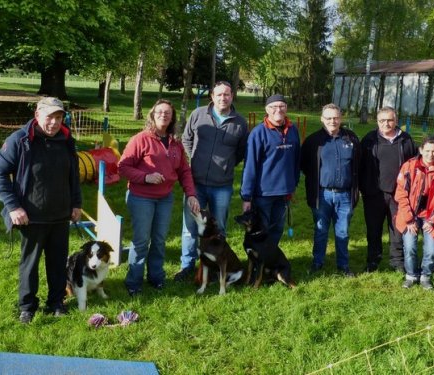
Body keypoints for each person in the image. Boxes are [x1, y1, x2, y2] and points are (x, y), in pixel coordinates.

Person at [0, 97, 82, 324]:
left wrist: (76, 203)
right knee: (29, 265)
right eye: (49, 117)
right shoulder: (19, 140)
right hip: (31, 217)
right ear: (38, 115)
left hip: (60, 215)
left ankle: (56, 302)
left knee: (57, 262)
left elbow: (73, 175)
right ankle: (27, 306)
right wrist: (13, 207)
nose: (53, 122)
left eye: (58, 117)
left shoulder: (67, 139)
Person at [119, 99, 200, 295]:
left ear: (172, 118)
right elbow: (123, 167)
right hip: (141, 197)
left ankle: (156, 278)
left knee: (159, 240)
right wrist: (145, 177)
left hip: (165, 198)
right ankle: (134, 282)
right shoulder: (140, 139)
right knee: (141, 241)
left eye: (168, 113)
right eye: (160, 112)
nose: (164, 115)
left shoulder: (175, 144)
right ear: (153, 115)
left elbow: (184, 171)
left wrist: (191, 194)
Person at [174, 81, 248, 281]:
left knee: (220, 227)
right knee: (190, 227)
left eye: (226, 94)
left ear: (232, 96)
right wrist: (195, 158)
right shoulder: (198, 114)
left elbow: (241, 152)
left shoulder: (240, 122)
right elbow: (186, 139)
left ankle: (216, 265)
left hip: (222, 186)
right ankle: (187, 266)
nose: (222, 98)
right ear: (212, 97)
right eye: (219, 94)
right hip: (195, 183)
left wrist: (226, 164)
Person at [300, 103, 360, 277]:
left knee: (343, 231)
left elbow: (359, 163)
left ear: (340, 118)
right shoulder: (313, 141)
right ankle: (317, 262)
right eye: (328, 118)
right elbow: (304, 165)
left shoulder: (351, 139)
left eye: (335, 117)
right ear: (322, 119)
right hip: (322, 195)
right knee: (320, 230)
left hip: (345, 195)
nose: (332, 121)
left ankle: (343, 265)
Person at [359, 106, 417, 273]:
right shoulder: (369, 140)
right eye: (382, 120)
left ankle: (397, 262)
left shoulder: (406, 140)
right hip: (373, 194)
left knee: (397, 229)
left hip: (399, 195)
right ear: (377, 121)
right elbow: (360, 166)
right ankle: (373, 261)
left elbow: (414, 166)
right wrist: (364, 188)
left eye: (390, 120)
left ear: (396, 121)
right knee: (373, 229)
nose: (386, 123)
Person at [395, 136, 434, 290]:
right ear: (421, 150)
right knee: (410, 247)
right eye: (427, 150)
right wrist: (409, 219)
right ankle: (411, 275)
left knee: (431, 250)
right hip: (410, 215)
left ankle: (426, 276)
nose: (430, 154)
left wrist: (433, 220)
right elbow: (401, 194)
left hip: (433, 217)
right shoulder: (409, 166)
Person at [240, 94, 300, 246]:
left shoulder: (293, 130)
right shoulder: (258, 133)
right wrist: (246, 197)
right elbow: (250, 166)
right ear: (267, 109)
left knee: (277, 229)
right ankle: (258, 264)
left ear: (286, 108)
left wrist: (293, 184)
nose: (278, 110)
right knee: (261, 230)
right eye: (274, 107)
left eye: (282, 106)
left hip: (284, 192)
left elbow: (296, 160)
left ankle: (271, 261)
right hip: (263, 194)